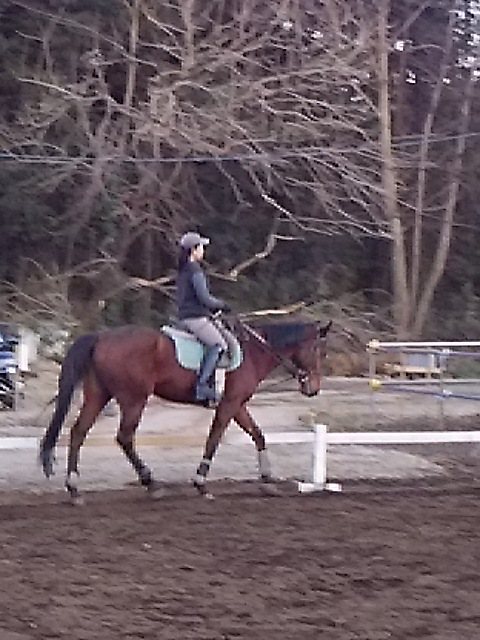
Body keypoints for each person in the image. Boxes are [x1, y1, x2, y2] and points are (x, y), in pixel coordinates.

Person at [176, 231, 236, 403]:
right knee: (219, 344)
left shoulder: (184, 269)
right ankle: (201, 386)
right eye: (201, 247)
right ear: (193, 250)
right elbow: (204, 298)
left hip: (188, 315)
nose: (203, 250)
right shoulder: (195, 270)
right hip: (194, 318)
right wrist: (222, 305)